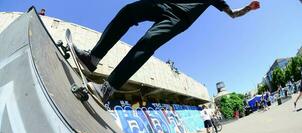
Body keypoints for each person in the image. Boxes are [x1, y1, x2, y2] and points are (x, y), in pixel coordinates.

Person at [74, 0, 260, 103]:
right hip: (162, 3)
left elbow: (233, 14)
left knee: (147, 42)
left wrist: (247, 8)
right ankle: (93, 58)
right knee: (129, 11)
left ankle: (108, 88)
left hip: (179, 18)